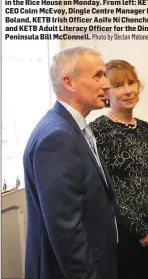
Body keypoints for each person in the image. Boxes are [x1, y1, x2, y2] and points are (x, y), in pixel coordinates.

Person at [23, 47, 119, 279]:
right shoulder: (59, 137)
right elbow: (66, 229)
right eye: (98, 75)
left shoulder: (69, 126)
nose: (107, 84)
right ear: (69, 82)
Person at [89, 59, 148, 279]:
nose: (128, 91)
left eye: (132, 83)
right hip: (122, 235)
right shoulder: (98, 130)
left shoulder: (144, 128)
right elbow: (105, 188)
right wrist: (139, 230)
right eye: (118, 85)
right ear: (106, 93)